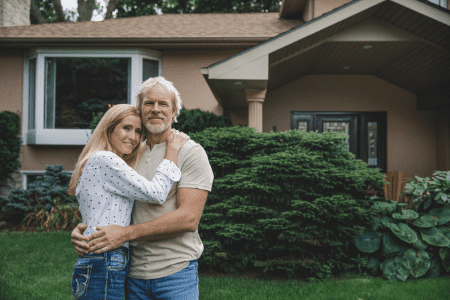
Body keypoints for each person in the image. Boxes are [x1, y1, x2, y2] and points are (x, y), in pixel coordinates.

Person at [71, 77, 214, 300]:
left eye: (163, 104)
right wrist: (85, 231)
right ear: (140, 108)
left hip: (174, 273)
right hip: (131, 274)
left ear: (174, 110)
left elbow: (188, 219)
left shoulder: (189, 152)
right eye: (149, 103)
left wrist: (125, 234)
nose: (155, 109)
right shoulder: (129, 152)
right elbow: (107, 200)